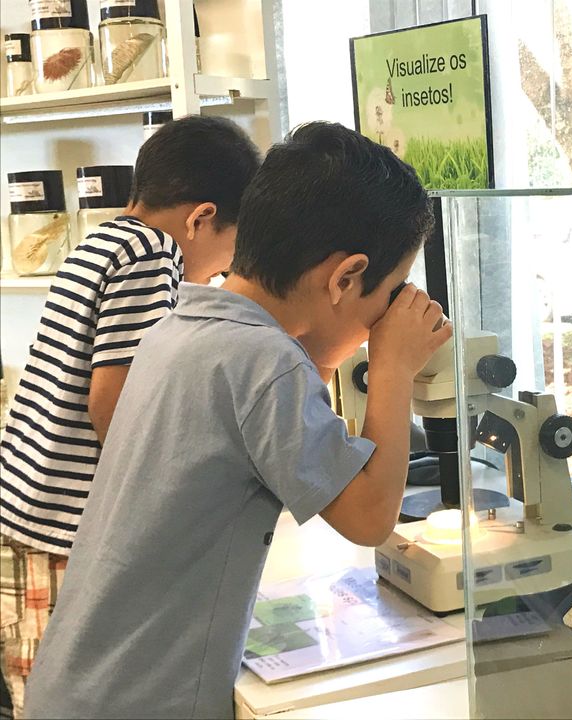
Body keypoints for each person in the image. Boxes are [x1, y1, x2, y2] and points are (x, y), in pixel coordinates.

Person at [21, 122, 452, 719]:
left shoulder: (187, 324)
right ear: (346, 277)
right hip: (145, 701)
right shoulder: (262, 363)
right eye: (391, 293)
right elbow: (369, 516)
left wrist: (354, 341)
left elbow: (291, 387)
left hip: (80, 685)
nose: (389, 314)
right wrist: (393, 367)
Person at [0, 115, 261, 717]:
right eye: (231, 246)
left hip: (26, 515)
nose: (225, 267)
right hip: (56, 532)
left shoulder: (100, 240)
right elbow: (116, 402)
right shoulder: (151, 255)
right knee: (57, 700)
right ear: (200, 219)